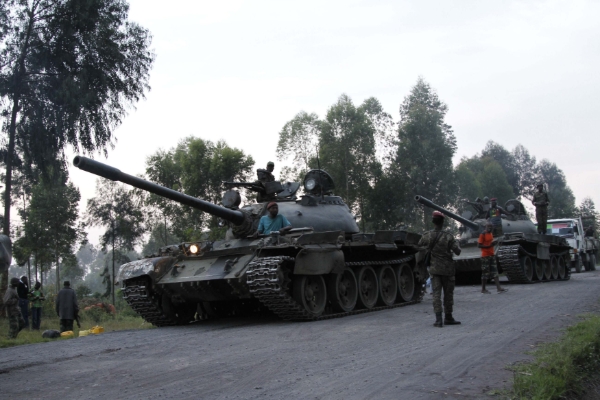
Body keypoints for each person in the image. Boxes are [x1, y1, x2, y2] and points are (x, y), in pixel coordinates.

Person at [418, 211, 462, 327]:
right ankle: (449, 317)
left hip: (434, 269)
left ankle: (438, 319)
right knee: (448, 294)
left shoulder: (427, 235)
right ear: (443, 222)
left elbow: (420, 244)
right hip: (448, 270)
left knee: (436, 294)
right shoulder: (448, 236)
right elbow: (457, 252)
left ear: (433, 222)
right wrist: (457, 244)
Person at [478, 223, 507, 294]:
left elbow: (490, 243)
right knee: (485, 273)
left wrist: (494, 243)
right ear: (486, 227)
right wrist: (489, 246)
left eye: (491, 227)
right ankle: (483, 289)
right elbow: (479, 245)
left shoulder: (490, 234)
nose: (490, 228)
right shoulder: (482, 234)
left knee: (495, 272)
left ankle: (499, 288)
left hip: (492, 255)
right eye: (488, 227)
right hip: (485, 256)